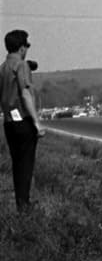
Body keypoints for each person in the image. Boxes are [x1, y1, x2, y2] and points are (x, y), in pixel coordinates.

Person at [1, 29, 45, 212]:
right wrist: (36, 122)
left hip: (9, 122)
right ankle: (24, 205)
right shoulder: (21, 66)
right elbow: (25, 94)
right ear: (21, 48)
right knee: (26, 164)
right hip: (23, 122)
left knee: (17, 164)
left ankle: (21, 202)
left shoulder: (3, 68)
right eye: (26, 45)